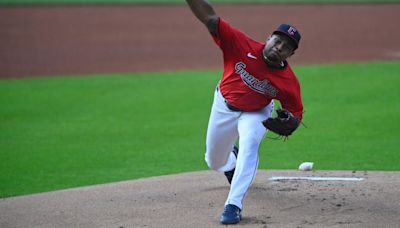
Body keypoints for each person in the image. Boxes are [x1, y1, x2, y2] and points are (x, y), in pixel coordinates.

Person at [185, 0, 304, 224]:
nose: (279, 47)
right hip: (224, 105)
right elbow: (211, 19)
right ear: (269, 38)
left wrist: (291, 122)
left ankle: (233, 205)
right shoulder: (241, 44)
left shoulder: (289, 82)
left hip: (257, 113)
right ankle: (231, 163)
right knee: (214, 162)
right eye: (277, 41)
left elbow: (295, 112)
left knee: (250, 144)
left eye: (286, 47)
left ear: (291, 54)